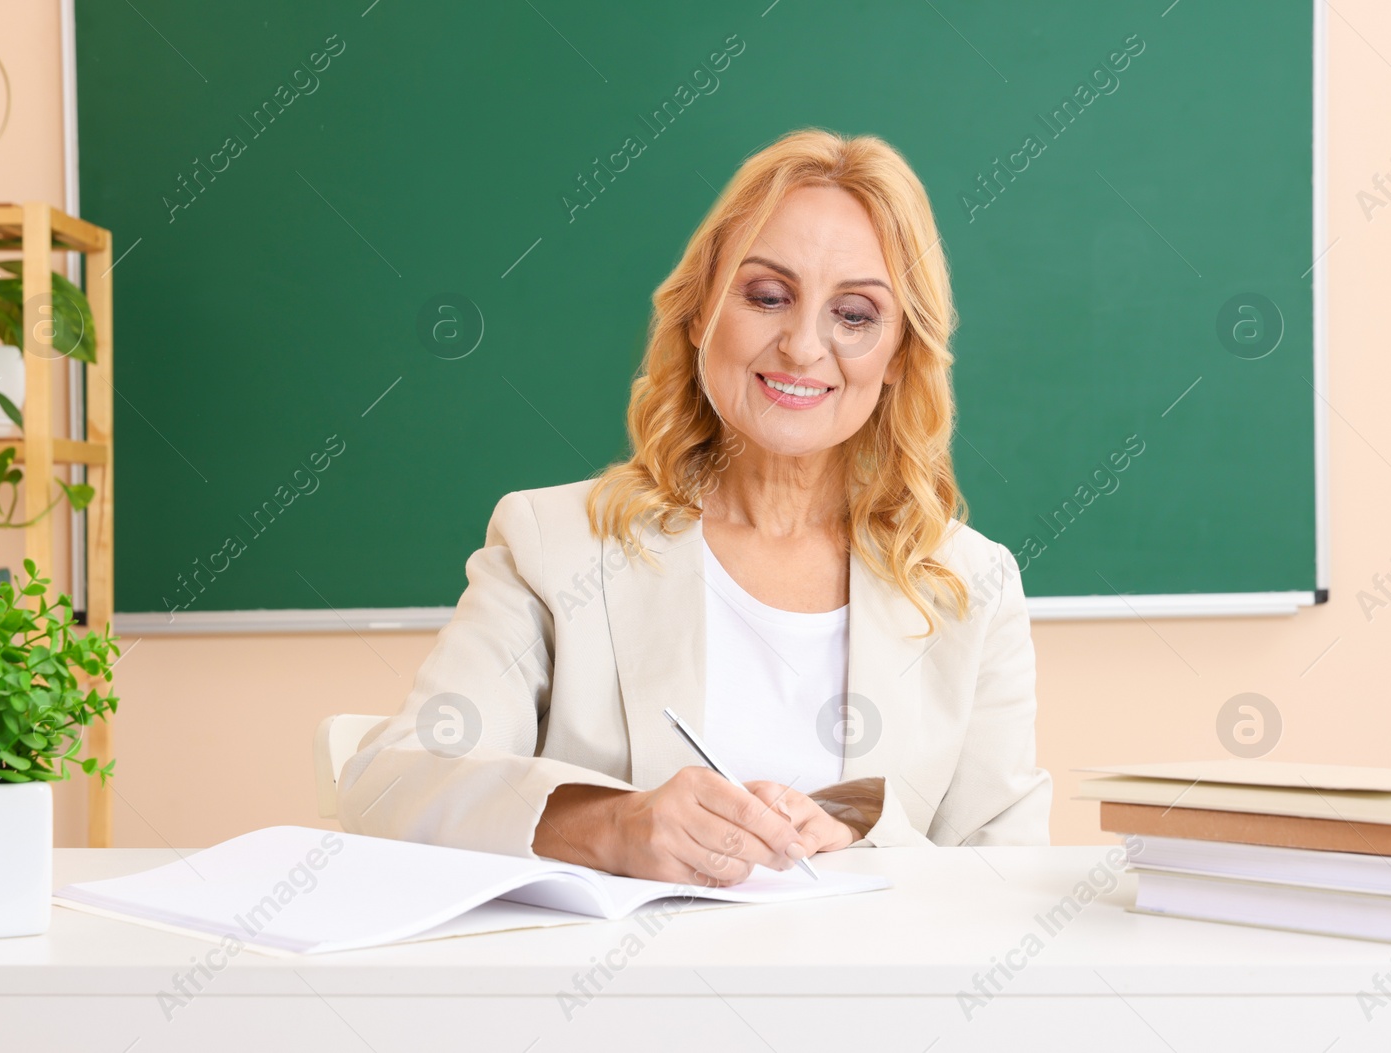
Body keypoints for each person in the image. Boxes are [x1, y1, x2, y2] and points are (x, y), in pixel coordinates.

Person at [339, 128, 1051, 886]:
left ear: (900, 356)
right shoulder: (553, 545)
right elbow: (393, 780)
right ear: (700, 311)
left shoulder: (971, 585)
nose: (804, 348)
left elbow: (1010, 875)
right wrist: (611, 826)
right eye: (768, 296)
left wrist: (864, 838)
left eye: (855, 314)